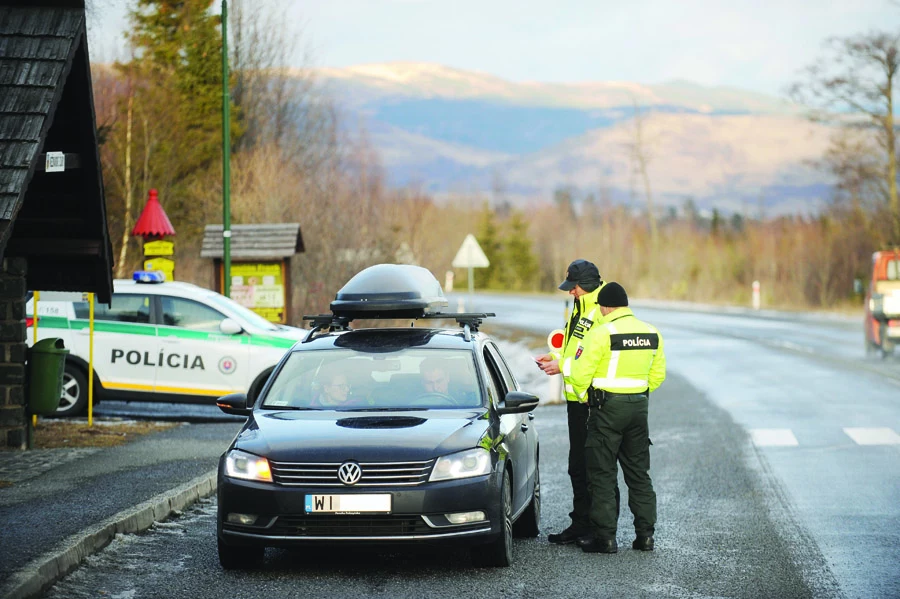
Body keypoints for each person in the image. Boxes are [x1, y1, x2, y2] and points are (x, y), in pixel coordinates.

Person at [576, 282, 666, 554]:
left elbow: (580, 375)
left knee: (602, 474)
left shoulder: (601, 333)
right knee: (639, 474)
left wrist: (585, 398)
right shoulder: (652, 332)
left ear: (605, 307)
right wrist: (637, 393)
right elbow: (657, 376)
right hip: (639, 408)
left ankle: (606, 538)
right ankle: (645, 536)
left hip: (607, 409)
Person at [535, 259, 608, 545]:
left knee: (593, 467)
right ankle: (580, 524)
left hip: (593, 401)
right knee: (577, 466)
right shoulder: (580, 307)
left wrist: (562, 367)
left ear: (586, 285)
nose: (570, 292)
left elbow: (592, 357)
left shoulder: (601, 311)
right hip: (576, 400)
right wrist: (554, 359)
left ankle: (597, 528)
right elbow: (573, 347)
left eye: (573, 287)